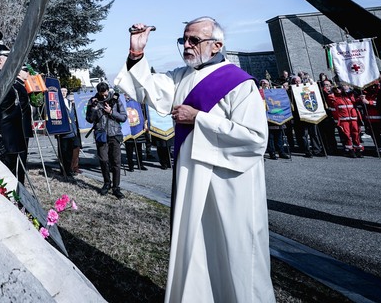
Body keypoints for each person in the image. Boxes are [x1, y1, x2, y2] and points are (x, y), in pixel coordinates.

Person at [115, 17, 274, 303]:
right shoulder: (181, 76)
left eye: (194, 40)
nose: (186, 46)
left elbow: (254, 138)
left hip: (229, 184)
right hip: (192, 179)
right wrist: (137, 53)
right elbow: (146, 89)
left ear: (217, 45)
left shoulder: (239, 83)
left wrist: (198, 118)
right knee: (196, 247)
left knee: (234, 252)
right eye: (183, 40)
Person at [0, 43, 33, 183]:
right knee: (4, 179)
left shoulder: (7, 79)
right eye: (8, 57)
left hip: (13, 137)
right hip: (3, 136)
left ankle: (17, 202)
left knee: (15, 177)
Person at [85, 81, 127, 198]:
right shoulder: (93, 101)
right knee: (103, 160)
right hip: (101, 135)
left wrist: (111, 112)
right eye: (101, 94)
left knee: (116, 162)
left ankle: (116, 188)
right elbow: (89, 119)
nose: (103, 96)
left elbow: (124, 117)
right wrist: (93, 108)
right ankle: (107, 183)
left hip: (114, 135)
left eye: (105, 94)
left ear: (108, 90)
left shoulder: (116, 100)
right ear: (97, 92)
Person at [325, 85, 364, 157]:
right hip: (343, 119)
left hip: (353, 118)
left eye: (339, 88)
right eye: (335, 88)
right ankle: (350, 150)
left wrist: (360, 98)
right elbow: (332, 103)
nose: (337, 89)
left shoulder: (349, 96)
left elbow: (355, 101)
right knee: (347, 135)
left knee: (356, 134)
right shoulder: (332, 97)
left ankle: (358, 149)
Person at [260, 79, 289, 160]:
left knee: (279, 136)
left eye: (266, 83)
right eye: (263, 83)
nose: (265, 84)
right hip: (268, 117)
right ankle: (272, 153)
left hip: (278, 117)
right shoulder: (260, 92)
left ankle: (281, 152)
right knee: (271, 137)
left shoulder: (274, 91)